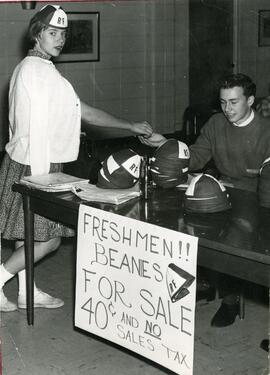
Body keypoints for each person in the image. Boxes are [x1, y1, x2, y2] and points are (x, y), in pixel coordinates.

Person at [0, 4, 152, 312]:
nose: (59, 39)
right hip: (37, 166)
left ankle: (27, 292)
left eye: (62, 34)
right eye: (52, 33)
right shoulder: (42, 73)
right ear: (37, 34)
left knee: (25, 234)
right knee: (49, 240)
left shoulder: (26, 67)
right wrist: (131, 125)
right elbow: (85, 113)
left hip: (20, 161)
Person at [139, 73, 270, 327]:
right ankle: (205, 281)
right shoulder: (215, 124)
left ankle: (229, 301)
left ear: (251, 100)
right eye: (223, 102)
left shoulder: (266, 131)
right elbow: (196, 157)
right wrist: (166, 143)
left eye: (233, 102)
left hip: (256, 198)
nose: (227, 109)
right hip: (222, 192)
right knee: (181, 224)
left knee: (231, 238)